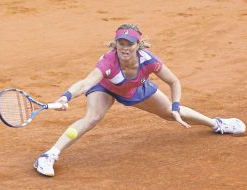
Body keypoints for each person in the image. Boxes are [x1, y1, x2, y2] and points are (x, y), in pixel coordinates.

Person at [34, 23, 246, 177]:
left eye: (130, 44)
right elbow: (86, 82)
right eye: (121, 43)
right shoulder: (109, 61)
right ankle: (48, 155)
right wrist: (66, 97)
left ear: (139, 45)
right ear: (115, 43)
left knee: (171, 114)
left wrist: (175, 106)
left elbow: (174, 82)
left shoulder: (149, 61)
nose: (125, 48)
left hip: (134, 89)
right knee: (92, 117)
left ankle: (217, 123)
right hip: (105, 88)